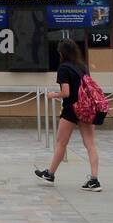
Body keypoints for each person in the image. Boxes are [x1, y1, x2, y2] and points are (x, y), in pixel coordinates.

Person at [36, 38, 103, 191]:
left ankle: (50, 173)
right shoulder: (83, 67)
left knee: (61, 143)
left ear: (62, 53)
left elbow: (66, 92)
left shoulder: (64, 68)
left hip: (71, 110)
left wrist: (53, 95)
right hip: (86, 108)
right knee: (90, 144)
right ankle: (94, 179)